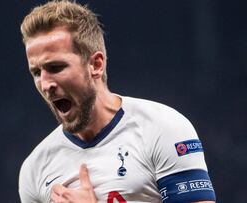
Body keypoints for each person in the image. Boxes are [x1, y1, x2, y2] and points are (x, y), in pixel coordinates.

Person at [18, 1, 216, 202]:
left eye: (56, 67)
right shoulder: (34, 169)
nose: (45, 84)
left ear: (96, 64)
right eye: (36, 72)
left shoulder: (163, 129)